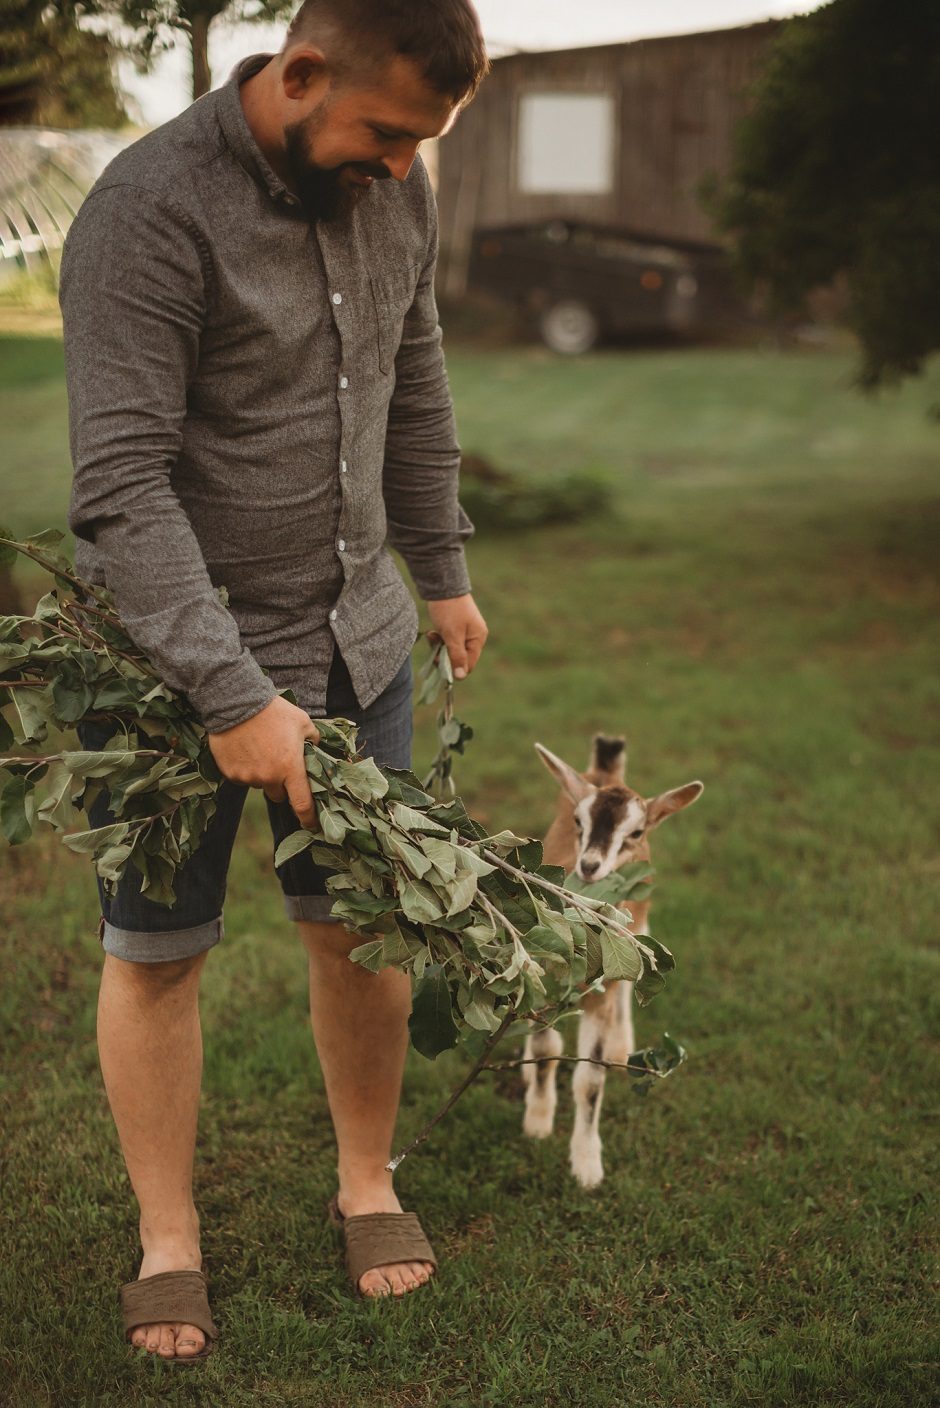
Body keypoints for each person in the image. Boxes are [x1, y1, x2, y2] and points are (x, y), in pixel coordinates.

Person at [58, 0, 489, 1361]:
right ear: (302, 75)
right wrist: (235, 696)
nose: (401, 166)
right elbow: (121, 486)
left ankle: (368, 1182)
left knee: (362, 933)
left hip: (358, 641)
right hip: (171, 667)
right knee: (158, 955)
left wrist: (441, 564)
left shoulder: (391, 190)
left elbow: (412, 390)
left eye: (424, 142)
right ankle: (167, 1238)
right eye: (384, 132)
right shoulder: (148, 213)